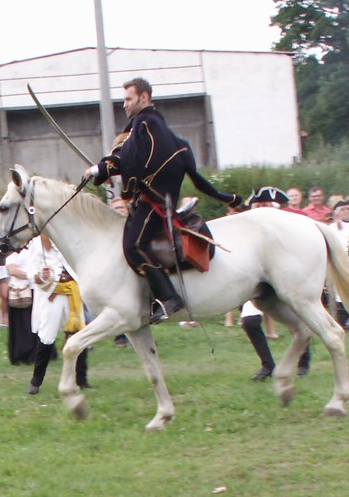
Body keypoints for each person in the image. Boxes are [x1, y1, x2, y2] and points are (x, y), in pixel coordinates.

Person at [83, 77, 242, 323]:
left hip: (153, 202)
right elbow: (126, 154)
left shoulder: (147, 124)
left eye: (128, 99)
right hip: (147, 202)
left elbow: (131, 157)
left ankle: (169, 298)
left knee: (134, 246)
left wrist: (99, 170)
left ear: (144, 98)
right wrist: (106, 167)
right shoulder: (144, 127)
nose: (124, 105)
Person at [21, 234, 89, 394]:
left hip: (73, 292)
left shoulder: (67, 236)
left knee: (79, 333)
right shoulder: (37, 243)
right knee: (46, 336)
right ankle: (36, 381)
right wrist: (40, 276)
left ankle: (82, 379)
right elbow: (30, 271)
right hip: (52, 295)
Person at [4, 248, 39, 366]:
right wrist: (31, 276)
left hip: (36, 289)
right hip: (21, 292)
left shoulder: (35, 248)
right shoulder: (13, 254)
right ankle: (24, 353)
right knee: (23, 325)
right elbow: (12, 270)